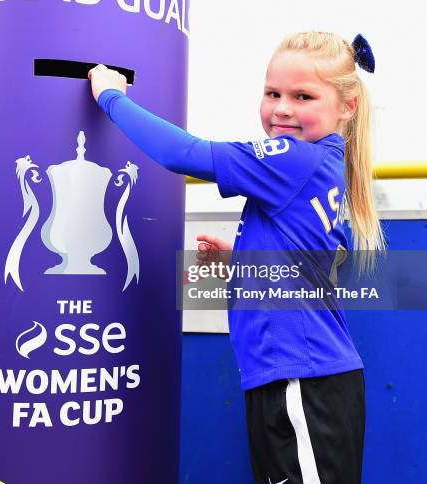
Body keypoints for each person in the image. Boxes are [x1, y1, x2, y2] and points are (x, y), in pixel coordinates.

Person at [88, 31, 384, 483]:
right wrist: (245, 257)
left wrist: (110, 95)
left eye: (303, 96)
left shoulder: (294, 159)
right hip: (295, 378)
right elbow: (310, 268)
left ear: (347, 106)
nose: (282, 108)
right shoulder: (323, 163)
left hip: (302, 383)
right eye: (273, 93)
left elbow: (181, 153)